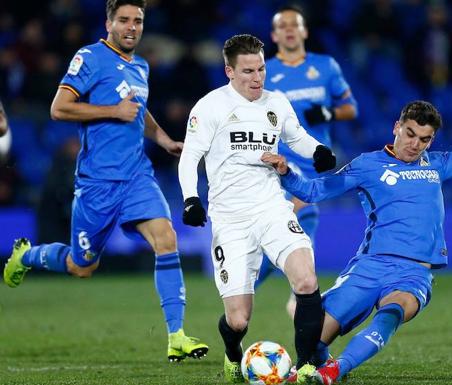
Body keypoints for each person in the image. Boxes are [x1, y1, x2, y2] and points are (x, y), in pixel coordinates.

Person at [262, 72, 452, 384]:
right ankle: (319, 361)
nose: (415, 144)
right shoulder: (367, 165)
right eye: (410, 134)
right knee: (313, 335)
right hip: (369, 266)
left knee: (394, 310)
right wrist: (287, 172)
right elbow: (314, 191)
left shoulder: (436, 164)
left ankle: (334, 371)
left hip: (413, 272)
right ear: (397, 127)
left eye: (424, 139)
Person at [2, 0, 208, 362]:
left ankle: (177, 335)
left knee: (166, 239)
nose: (132, 27)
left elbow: (138, 113)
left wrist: (162, 139)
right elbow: (59, 108)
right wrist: (112, 110)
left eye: (138, 20)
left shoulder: (141, 66)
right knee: (82, 266)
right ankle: (27, 255)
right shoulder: (90, 57)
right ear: (109, 22)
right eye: (124, 20)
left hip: (137, 176)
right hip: (97, 183)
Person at [178, 34, 337, 383]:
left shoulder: (276, 102)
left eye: (262, 69)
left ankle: (307, 365)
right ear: (229, 71)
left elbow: (296, 135)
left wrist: (318, 150)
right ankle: (233, 354)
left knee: (307, 279)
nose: (257, 78)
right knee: (238, 320)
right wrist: (191, 198)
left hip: (272, 208)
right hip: (231, 220)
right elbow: (189, 157)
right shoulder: (210, 107)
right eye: (248, 71)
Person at [259, 5, 358, 317]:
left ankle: (245, 285)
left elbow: (351, 108)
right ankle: (300, 292)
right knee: (304, 209)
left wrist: (328, 113)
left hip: (315, 159)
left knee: (291, 227)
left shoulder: (325, 67)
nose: (289, 29)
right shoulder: (265, 72)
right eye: (282, 25)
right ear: (274, 35)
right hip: (279, 160)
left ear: (304, 31)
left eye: (294, 24)